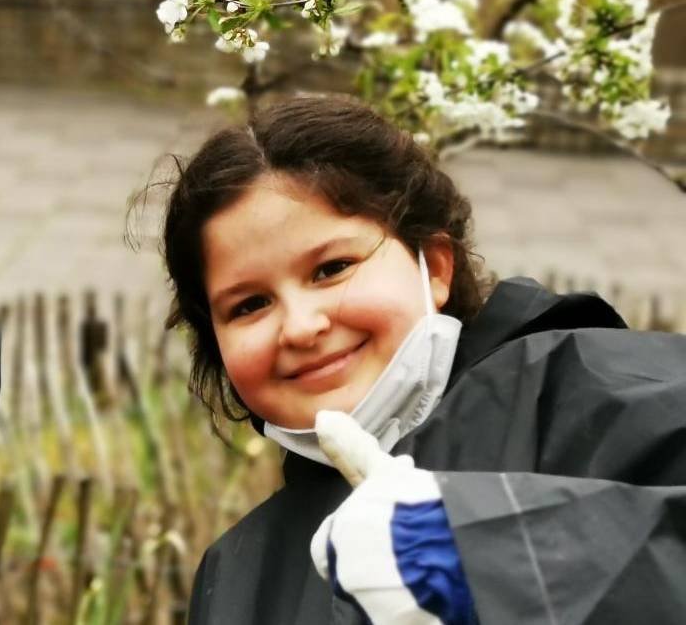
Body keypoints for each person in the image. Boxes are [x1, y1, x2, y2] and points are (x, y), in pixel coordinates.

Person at [163, 95, 686, 623]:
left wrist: (494, 563)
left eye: (332, 268)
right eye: (250, 305)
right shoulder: (233, 575)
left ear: (435, 267)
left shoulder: (605, 391)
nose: (300, 327)